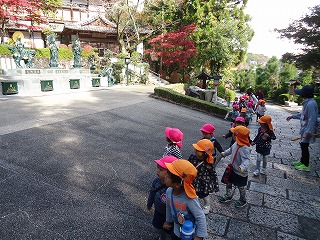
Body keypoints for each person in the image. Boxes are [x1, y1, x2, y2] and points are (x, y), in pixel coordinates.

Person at [163, 160, 208, 240]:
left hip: (190, 233)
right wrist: (168, 221)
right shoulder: (169, 191)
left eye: (168, 176)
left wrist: (199, 236)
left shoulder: (189, 198)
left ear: (177, 184)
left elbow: (200, 216)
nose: (165, 176)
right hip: (176, 230)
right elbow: (168, 207)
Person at [286, 85, 318, 171]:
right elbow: (303, 115)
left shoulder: (311, 104)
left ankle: (305, 165)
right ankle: (302, 161)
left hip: (308, 128)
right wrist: (293, 116)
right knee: (303, 144)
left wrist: (309, 131)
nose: (300, 95)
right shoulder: (307, 102)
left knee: (304, 145)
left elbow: (312, 119)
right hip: (305, 127)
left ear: (305, 94)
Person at [218, 126, 251, 208]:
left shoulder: (245, 148)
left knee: (240, 186)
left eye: (233, 134)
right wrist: (224, 153)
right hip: (232, 169)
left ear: (237, 137)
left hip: (240, 172)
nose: (232, 135)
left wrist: (242, 167)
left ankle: (243, 199)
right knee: (229, 182)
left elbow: (246, 160)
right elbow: (230, 150)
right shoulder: (235, 144)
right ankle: (228, 195)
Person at [147, 156, 177, 240]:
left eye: (161, 170)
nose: (157, 171)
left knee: (169, 232)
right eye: (157, 168)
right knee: (156, 227)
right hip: (158, 212)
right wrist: (149, 203)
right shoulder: (156, 181)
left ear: (171, 173)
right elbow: (152, 192)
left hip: (171, 216)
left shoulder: (174, 186)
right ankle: (161, 236)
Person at [188, 139, 217, 215]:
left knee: (204, 195)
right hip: (194, 179)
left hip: (204, 181)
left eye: (198, 150)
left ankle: (207, 206)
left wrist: (214, 183)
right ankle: (193, 206)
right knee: (193, 193)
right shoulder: (192, 156)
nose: (195, 151)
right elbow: (188, 165)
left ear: (205, 153)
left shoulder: (208, 162)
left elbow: (212, 173)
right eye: (196, 149)